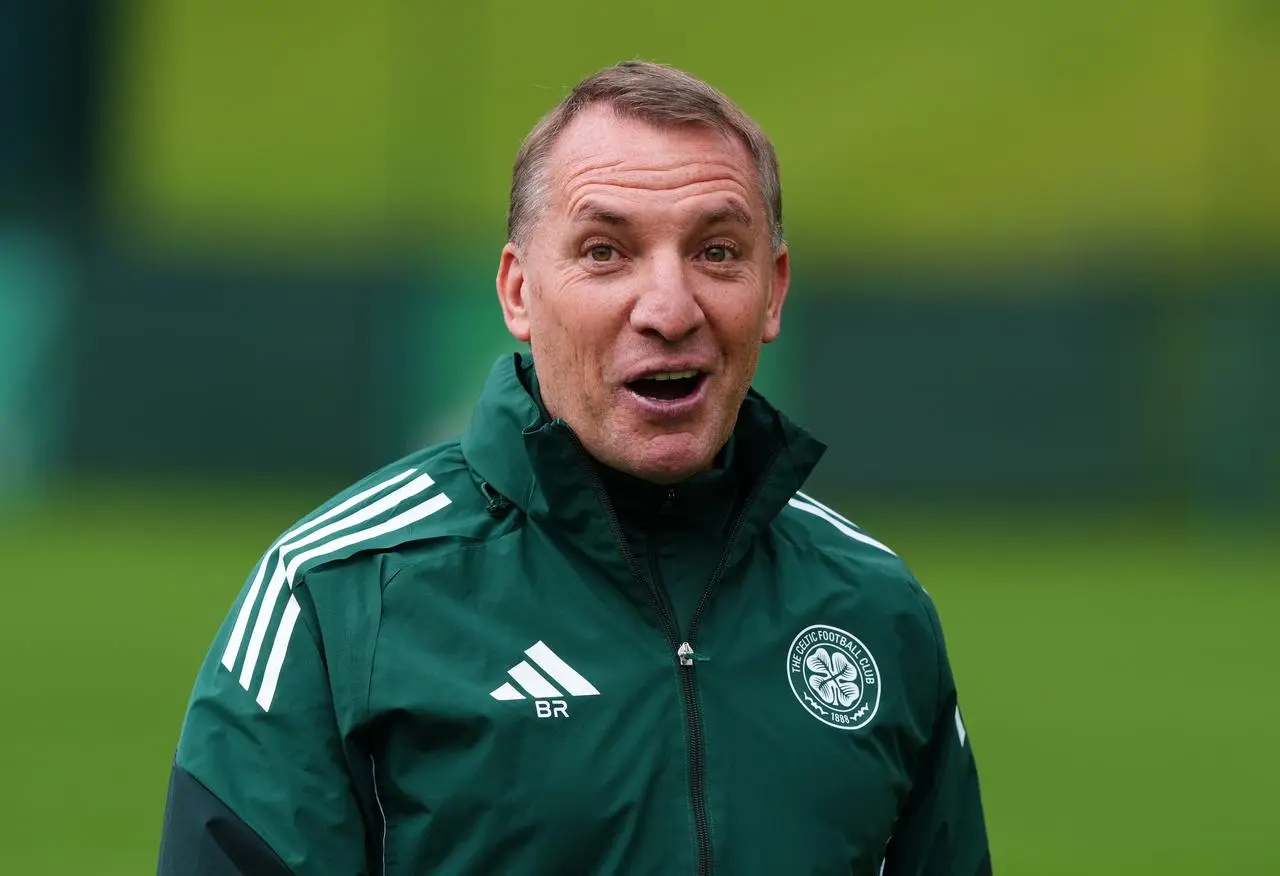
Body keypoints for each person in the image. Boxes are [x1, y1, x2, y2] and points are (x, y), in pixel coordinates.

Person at [157, 60, 991, 875]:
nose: (669, 309)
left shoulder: (876, 607)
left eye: (717, 252)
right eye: (605, 252)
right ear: (519, 292)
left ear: (772, 292)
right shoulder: (337, 594)